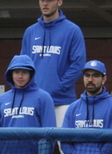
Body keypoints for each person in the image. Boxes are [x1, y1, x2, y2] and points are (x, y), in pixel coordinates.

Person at [20, 0, 86, 128]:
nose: (45, 4)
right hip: (34, 101)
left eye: (49, 0)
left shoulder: (72, 30)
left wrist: (58, 86)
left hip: (62, 101)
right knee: (34, 144)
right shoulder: (30, 31)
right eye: (42, 0)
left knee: (65, 145)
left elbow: (78, 64)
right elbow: (23, 65)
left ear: (59, 2)